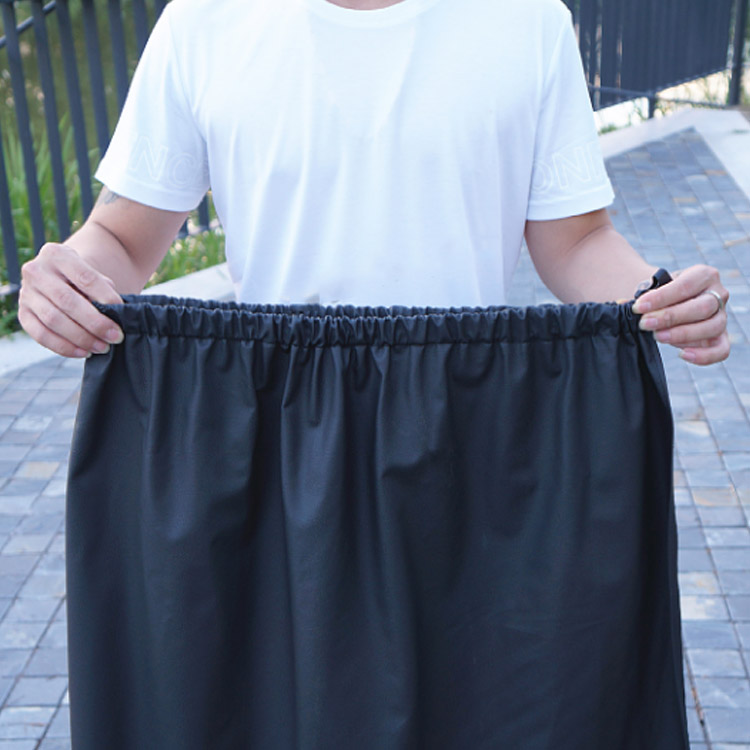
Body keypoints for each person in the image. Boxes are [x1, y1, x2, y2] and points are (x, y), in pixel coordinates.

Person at [18, 0, 729, 364]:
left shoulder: (528, 20)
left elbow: (574, 243)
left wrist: (656, 299)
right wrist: (66, 281)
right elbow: (123, 238)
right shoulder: (204, 21)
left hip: (467, 402)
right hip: (271, 409)